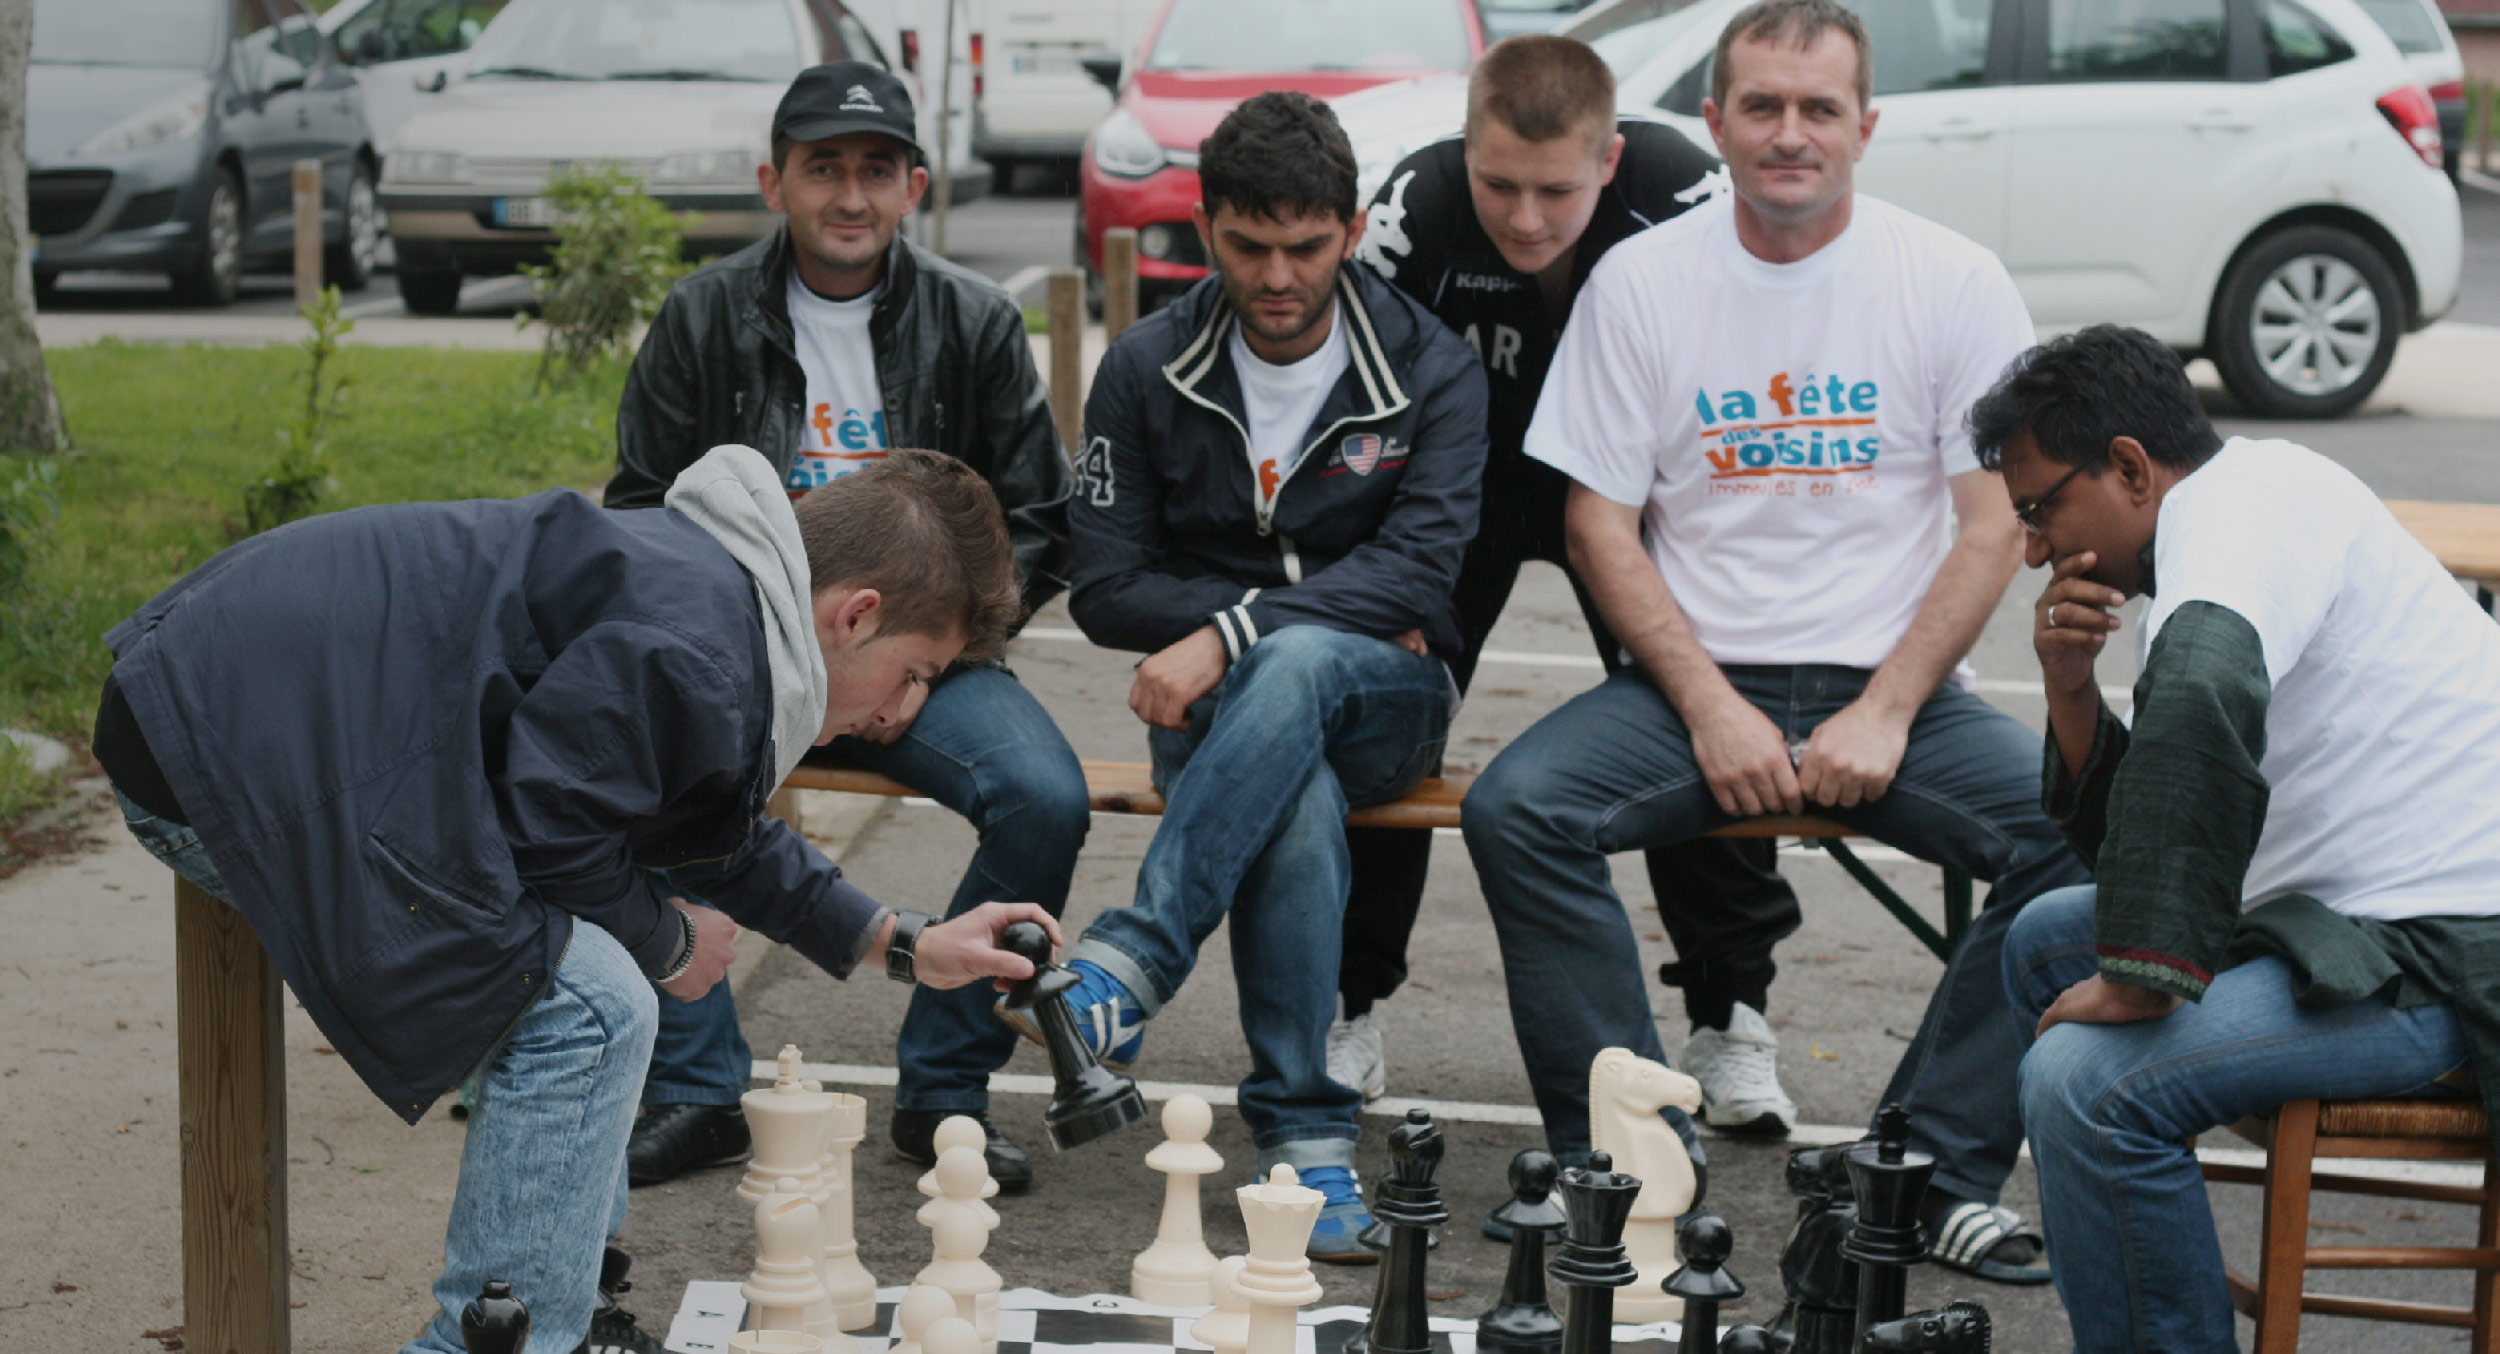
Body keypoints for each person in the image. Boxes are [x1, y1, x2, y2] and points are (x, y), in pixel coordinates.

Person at [91, 449, 1059, 1354]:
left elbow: (700, 826)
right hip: (231, 748)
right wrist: (666, 938)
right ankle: (497, 1335)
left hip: (264, 714)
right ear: (855, 615)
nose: (901, 711)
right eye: (915, 673)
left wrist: (901, 940)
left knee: (597, 985)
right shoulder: (701, 647)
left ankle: (566, 1298)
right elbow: (548, 830)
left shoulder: (717, 598)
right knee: (594, 1007)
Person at [1459, 0, 2085, 1282]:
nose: (1788, 133)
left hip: (1894, 694)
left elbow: (1990, 528)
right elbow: (1596, 524)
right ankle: (1624, 1162)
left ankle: (1924, 1172)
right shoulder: (1644, 280)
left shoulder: (1952, 278)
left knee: (2084, 833)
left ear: (1865, 126)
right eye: (1761, 106)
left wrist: (1888, 709)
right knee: (1519, 808)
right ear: (1714, 122)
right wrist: (1708, 705)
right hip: (1697, 688)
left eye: (1816, 109)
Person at [1023, 91, 1487, 1262]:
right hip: (1225, 718)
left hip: (1386, 706)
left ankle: (1126, 968)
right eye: (1247, 245)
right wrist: (1296, 619)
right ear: (1204, 225)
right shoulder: (1144, 364)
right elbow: (1105, 587)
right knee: (1295, 792)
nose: (1278, 276)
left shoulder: (1431, 367)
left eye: (1308, 246)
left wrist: (1228, 633)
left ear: (1353, 229)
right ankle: (1307, 1143)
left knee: (1296, 660)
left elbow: (1422, 574)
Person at [607, 61, 1084, 1192]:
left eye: (878, 169)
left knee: (1044, 793)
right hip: (745, 650)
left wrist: (921, 663)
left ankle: (944, 1095)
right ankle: (696, 1089)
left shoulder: (974, 319)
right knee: (648, 761)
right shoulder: (702, 314)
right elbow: (637, 506)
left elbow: (1042, 522)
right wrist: (748, 645)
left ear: (916, 185)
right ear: (773, 181)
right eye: (824, 168)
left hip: (924, 655)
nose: (852, 196)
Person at [1985, 326, 2500, 1351]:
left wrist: (2140, 985)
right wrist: (2069, 687)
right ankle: (2142, 1270)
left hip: (2447, 956)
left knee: (2084, 1083)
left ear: (2129, 466)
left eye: (2040, 509)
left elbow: (2202, 690)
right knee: (2045, 941)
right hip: (2340, 921)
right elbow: (2149, 846)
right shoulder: (2224, 524)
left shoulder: (2243, 516)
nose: (2034, 549)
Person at [1351, 32, 1808, 1141]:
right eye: (1498, 184)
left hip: (1636, 490)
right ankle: (1346, 997)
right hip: (1462, 488)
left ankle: (1729, 1011)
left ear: (1610, 161)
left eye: (1555, 191)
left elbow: (1751, 377)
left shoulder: (1688, 195)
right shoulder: (1415, 206)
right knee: (1382, 707)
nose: (1523, 217)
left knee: (1704, 707)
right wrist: (1389, 593)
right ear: (1464, 149)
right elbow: (1363, 404)